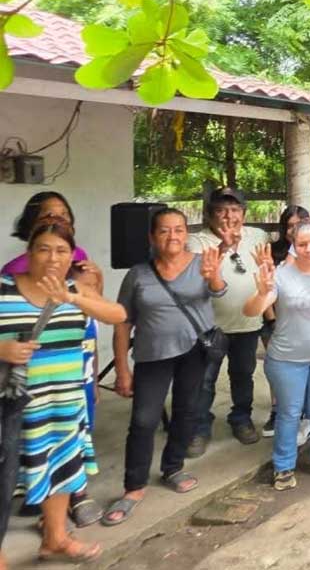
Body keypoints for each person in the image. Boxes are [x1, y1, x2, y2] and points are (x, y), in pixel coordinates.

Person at [0, 222, 125, 562]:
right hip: (12, 406)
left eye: (61, 250)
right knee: (5, 479)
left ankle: (54, 538)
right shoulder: (4, 288)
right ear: (28, 253)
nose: (53, 257)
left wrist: (72, 297)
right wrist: (3, 349)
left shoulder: (75, 290)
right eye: (44, 248)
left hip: (63, 401)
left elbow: (118, 314)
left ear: (72, 256)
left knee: (61, 469)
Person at [103, 209, 225, 526]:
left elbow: (219, 291)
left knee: (186, 411)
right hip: (152, 355)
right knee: (143, 420)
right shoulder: (138, 274)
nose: (173, 236)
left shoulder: (202, 263)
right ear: (152, 237)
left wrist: (213, 276)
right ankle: (134, 486)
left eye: (179, 230)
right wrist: (122, 369)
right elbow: (122, 322)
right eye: (164, 231)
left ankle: (173, 467)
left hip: (194, 351)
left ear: (187, 233)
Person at [2, 193, 104, 527]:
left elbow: (96, 314)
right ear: (32, 225)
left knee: (72, 430)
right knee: (30, 439)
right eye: (49, 214)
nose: (57, 219)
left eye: (64, 214)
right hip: (31, 376)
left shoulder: (80, 261)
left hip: (75, 358)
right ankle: (38, 497)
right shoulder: (13, 273)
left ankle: (71, 501)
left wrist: (90, 285)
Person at [243, 221, 310, 491]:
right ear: (294, 246)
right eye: (302, 244)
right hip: (286, 358)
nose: (309, 249)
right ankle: (283, 465)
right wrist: (262, 292)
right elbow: (252, 311)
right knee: (289, 412)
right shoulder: (280, 275)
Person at [187, 187, 270, 455]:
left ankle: (241, 419)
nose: (228, 216)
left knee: (243, 375)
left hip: (247, 324)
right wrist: (224, 246)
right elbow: (198, 276)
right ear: (210, 215)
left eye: (234, 210)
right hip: (209, 327)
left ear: (244, 214)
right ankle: (199, 428)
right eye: (221, 210)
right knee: (204, 380)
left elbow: (265, 269)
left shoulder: (257, 236)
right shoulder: (196, 241)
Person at [261, 204, 310, 444]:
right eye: (290, 226)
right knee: (277, 368)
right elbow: (265, 286)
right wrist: (272, 320)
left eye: (300, 224)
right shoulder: (275, 252)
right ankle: (276, 410)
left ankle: (303, 413)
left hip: (304, 322)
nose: (294, 229)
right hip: (276, 320)